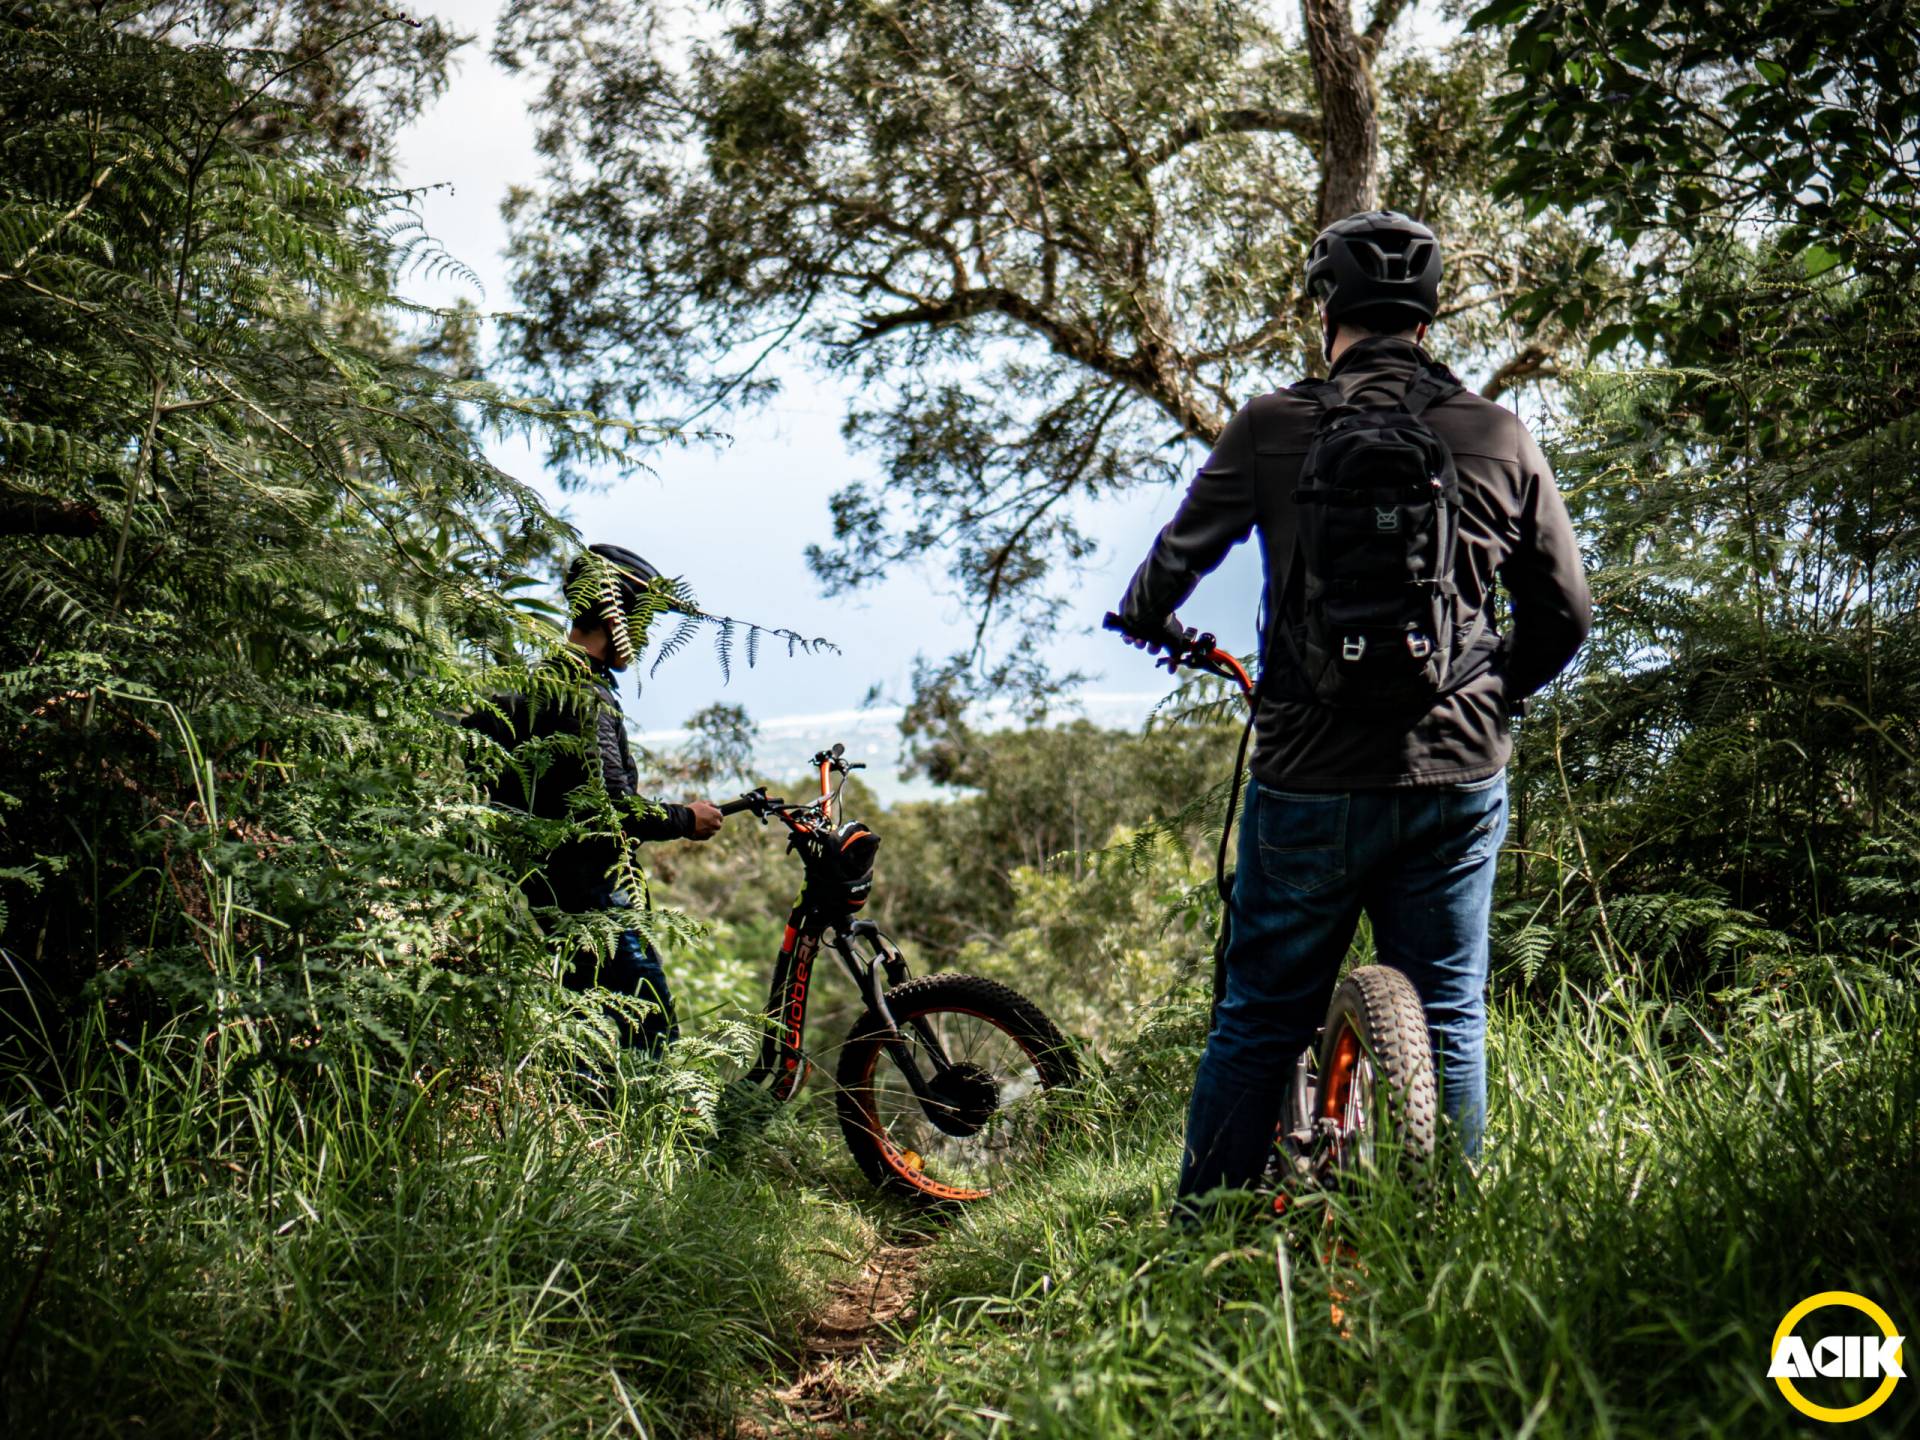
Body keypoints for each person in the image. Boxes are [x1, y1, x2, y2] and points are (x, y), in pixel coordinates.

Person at [1113, 210, 1591, 1201]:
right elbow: (1566, 614)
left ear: (1327, 308)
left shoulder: (1273, 427)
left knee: (1259, 1017)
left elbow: (1172, 568)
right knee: (1450, 1016)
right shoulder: (1498, 435)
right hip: (1455, 771)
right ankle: (1449, 1243)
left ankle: (1201, 1244)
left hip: (1309, 776)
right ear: (1427, 316)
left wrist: (1148, 618)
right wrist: (1492, 693)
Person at [467, 543, 724, 1056]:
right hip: (596, 905)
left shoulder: (531, 684)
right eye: (644, 620)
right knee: (649, 1043)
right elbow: (611, 810)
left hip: (547, 900)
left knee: (590, 1045)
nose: (647, 637)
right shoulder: (583, 695)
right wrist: (684, 819)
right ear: (618, 614)